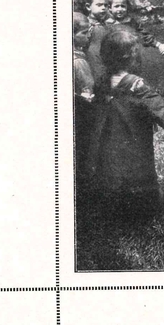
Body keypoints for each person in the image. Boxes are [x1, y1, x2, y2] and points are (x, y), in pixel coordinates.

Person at [89, 29, 164, 221]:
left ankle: (113, 209)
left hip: (109, 138)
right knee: (139, 170)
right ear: (129, 57)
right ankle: (142, 211)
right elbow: (156, 105)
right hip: (134, 139)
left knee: (111, 169)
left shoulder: (102, 81)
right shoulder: (136, 84)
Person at [73, 12, 95, 199]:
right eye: (84, 33)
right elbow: (89, 91)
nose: (89, 36)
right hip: (83, 113)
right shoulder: (79, 62)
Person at [83, 0, 111, 81]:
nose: (103, 8)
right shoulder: (87, 25)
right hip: (94, 67)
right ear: (88, 7)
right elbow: (91, 51)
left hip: (106, 64)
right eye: (99, 5)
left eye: (106, 5)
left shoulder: (105, 25)